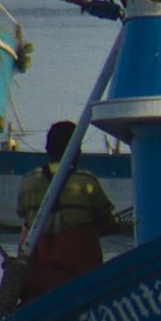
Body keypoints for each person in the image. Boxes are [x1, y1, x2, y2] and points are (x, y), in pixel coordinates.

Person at [16, 121, 120, 298]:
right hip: (82, 279)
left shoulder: (28, 181)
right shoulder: (87, 181)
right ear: (76, 150)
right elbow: (106, 222)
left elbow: (24, 219)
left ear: (47, 149)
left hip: (38, 283)